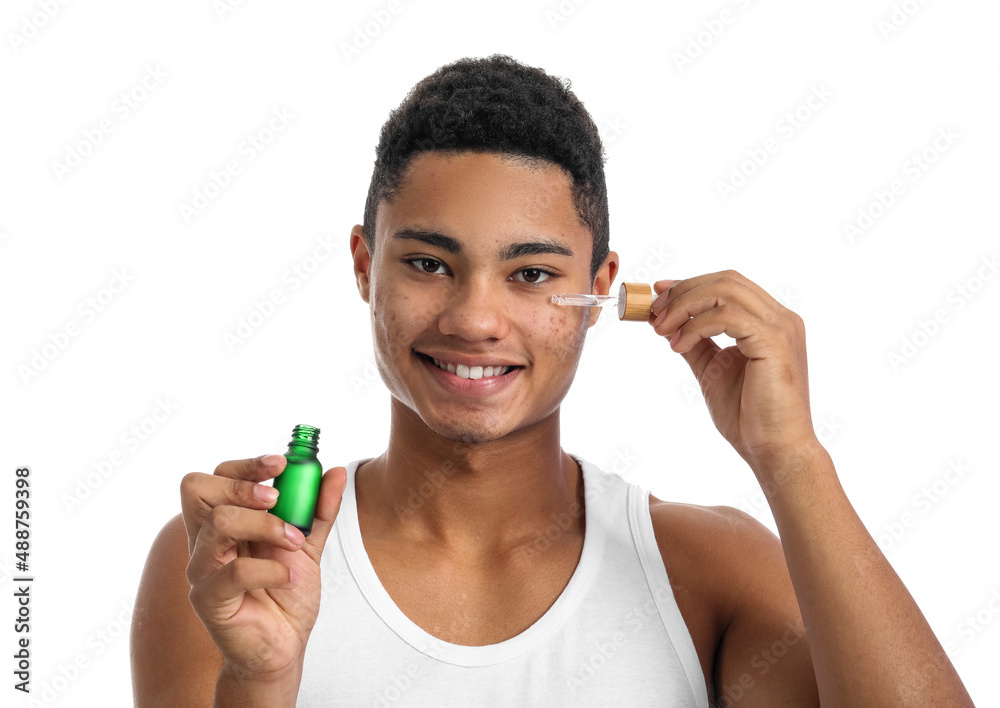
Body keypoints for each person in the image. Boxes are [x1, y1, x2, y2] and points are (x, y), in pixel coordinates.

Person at [130, 54, 973, 707]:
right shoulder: (232, 564)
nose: (474, 318)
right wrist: (266, 681)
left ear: (601, 289)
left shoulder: (704, 570)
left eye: (531, 275)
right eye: (429, 263)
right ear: (364, 265)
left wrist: (792, 459)